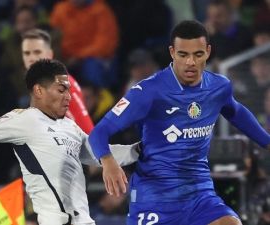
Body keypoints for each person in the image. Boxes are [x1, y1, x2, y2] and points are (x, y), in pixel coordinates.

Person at [89, 20, 270, 225]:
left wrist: (266, 141)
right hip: (156, 198)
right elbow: (100, 131)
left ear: (208, 52)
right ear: (172, 52)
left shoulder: (219, 87)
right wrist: (108, 162)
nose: (190, 62)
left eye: (198, 54)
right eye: (183, 55)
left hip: (200, 195)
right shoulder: (149, 91)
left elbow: (236, 112)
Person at [0, 59, 139, 225]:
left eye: (68, 90)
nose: (68, 97)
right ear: (39, 91)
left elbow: (100, 153)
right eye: (61, 90)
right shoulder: (23, 120)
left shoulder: (70, 126)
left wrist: (141, 149)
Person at [21, 28, 94, 134]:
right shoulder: (36, 84)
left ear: (49, 54)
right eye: (27, 53)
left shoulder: (64, 84)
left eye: (37, 52)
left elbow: (87, 131)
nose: (31, 58)